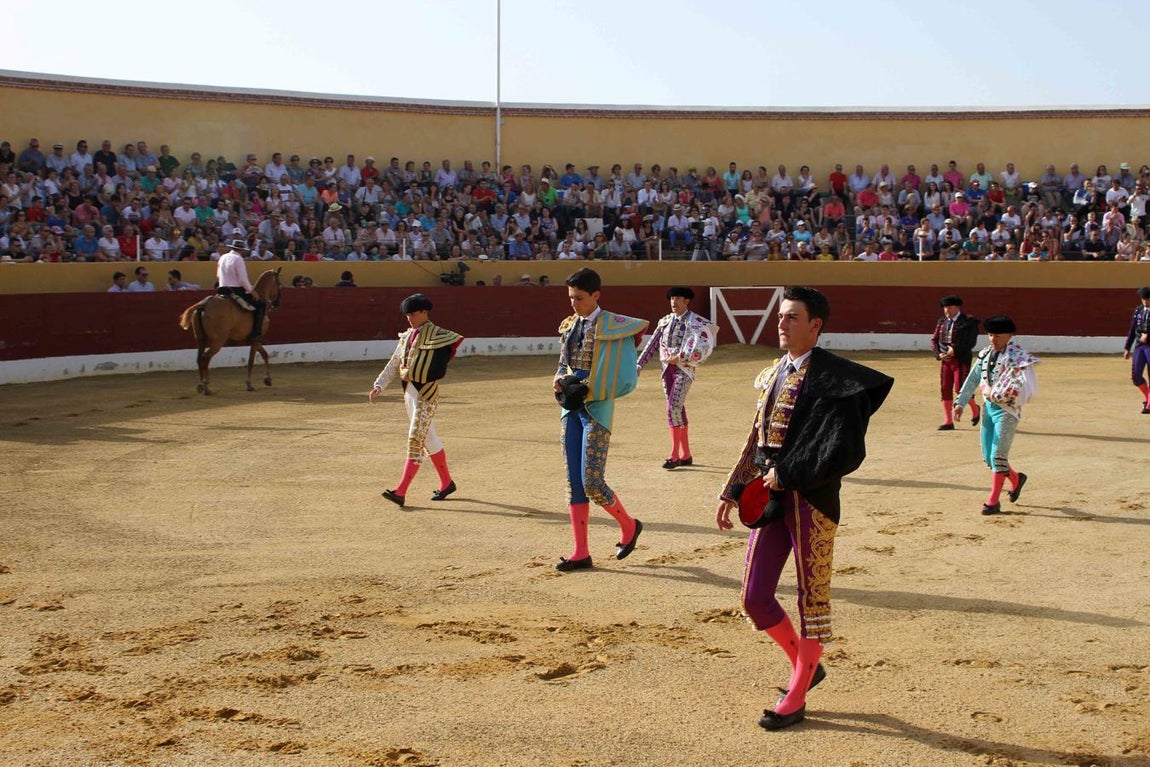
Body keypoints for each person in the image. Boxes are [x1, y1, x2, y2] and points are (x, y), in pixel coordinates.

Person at [715, 286, 893, 731]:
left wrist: (789, 472)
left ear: (815, 325)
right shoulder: (774, 372)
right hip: (772, 499)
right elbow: (756, 438)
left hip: (812, 499)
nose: (781, 323)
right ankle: (806, 666)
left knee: (811, 597)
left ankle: (796, 694)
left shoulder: (838, 379)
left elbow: (845, 450)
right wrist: (733, 488)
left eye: (792, 317)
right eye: (781, 316)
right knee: (754, 598)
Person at [552, 268, 648, 572]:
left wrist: (589, 388)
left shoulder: (613, 327)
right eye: (570, 298)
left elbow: (621, 374)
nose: (574, 304)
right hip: (570, 407)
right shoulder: (570, 326)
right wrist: (558, 380)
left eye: (579, 298)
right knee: (574, 483)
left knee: (592, 482)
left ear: (596, 295)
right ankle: (580, 551)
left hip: (597, 407)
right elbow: (562, 363)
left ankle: (630, 526)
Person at [370, 294, 464, 506]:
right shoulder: (406, 336)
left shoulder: (438, 335)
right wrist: (379, 385)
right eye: (407, 315)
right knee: (429, 439)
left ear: (424, 312)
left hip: (426, 395)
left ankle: (400, 491)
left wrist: (412, 373)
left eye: (413, 314)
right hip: (410, 395)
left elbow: (438, 368)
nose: (409, 319)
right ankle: (447, 483)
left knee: (416, 439)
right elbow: (394, 362)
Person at [953, 315, 1039, 515]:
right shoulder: (985, 354)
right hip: (988, 409)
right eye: (990, 334)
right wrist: (960, 403)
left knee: (998, 455)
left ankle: (993, 501)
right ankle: (1016, 479)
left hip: (1007, 411)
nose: (993, 339)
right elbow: (973, 378)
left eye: (997, 335)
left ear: (1010, 335)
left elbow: (1021, 385)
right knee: (988, 457)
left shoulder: (1018, 357)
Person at [636, 287, 719, 469]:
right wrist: (639, 364)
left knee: (673, 407)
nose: (674, 302)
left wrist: (681, 357)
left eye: (678, 299)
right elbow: (652, 344)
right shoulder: (665, 321)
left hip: (684, 370)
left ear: (686, 301)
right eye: (672, 299)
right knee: (677, 409)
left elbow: (704, 345)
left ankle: (674, 455)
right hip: (667, 370)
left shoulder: (697, 322)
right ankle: (686, 454)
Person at [931, 295, 982, 431]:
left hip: (961, 360)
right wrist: (940, 354)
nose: (947, 310)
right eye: (945, 308)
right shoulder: (942, 321)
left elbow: (970, 341)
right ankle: (948, 421)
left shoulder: (968, 321)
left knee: (960, 389)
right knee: (945, 388)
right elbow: (935, 340)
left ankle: (975, 409)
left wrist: (954, 350)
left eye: (950, 307)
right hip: (946, 361)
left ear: (957, 307)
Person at [216, 238, 264, 341]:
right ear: (241, 250)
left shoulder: (223, 257)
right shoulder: (238, 259)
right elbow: (243, 280)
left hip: (222, 289)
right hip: (235, 290)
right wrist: (252, 291)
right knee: (261, 304)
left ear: (232, 248)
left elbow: (218, 275)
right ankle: (256, 333)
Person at [1122, 286, 1150, 414]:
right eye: (1143, 299)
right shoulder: (1138, 310)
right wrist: (1127, 347)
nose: (1145, 301)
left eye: (1147, 299)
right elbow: (1133, 329)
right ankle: (1148, 397)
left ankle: (1149, 405)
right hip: (1140, 346)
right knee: (1136, 376)